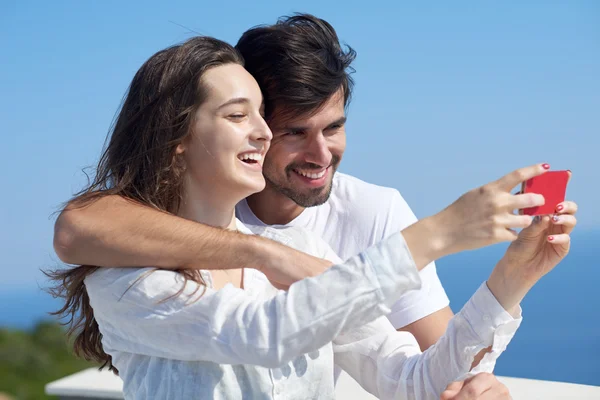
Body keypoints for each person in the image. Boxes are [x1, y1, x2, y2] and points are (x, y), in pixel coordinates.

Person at [48, 36, 577, 400]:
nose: (260, 132)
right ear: (177, 139)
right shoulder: (127, 278)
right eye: (238, 116)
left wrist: (514, 277)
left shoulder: (308, 252)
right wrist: (435, 234)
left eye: (261, 115)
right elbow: (265, 333)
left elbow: (410, 381)